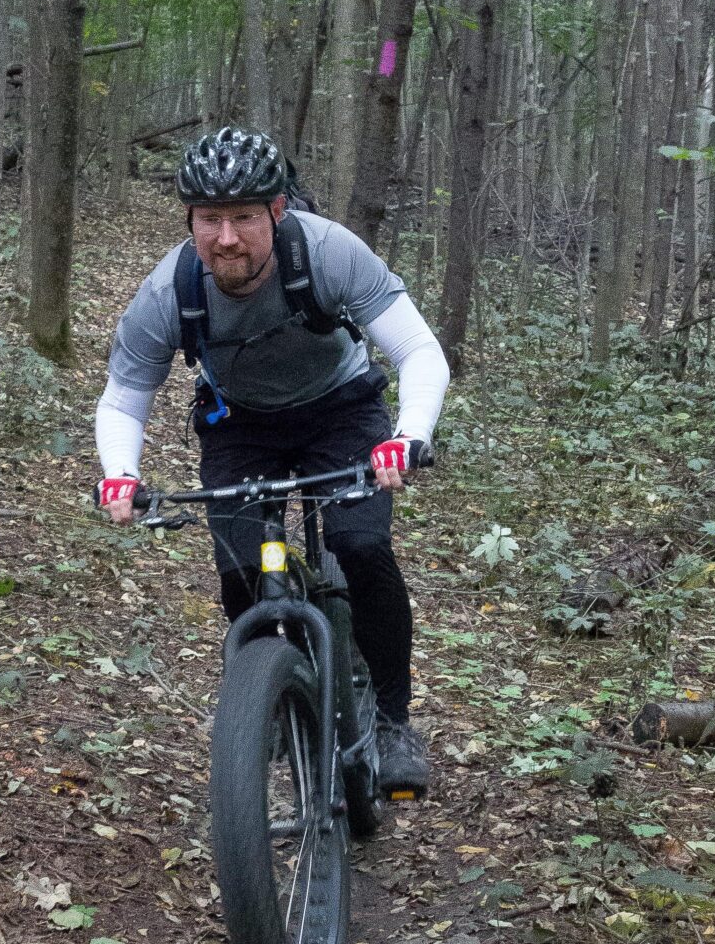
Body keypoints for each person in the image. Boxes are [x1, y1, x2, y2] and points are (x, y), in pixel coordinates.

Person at [93, 126, 449, 795]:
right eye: (209, 220)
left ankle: (394, 723)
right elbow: (124, 395)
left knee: (360, 545)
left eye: (243, 218)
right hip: (240, 426)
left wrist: (407, 434)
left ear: (277, 211)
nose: (225, 238)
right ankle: (272, 690)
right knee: (241, 566)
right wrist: (120, 473)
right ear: (190, 221)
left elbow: (418, 351)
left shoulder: (327, 252)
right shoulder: (169, 290)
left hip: (341, 409)